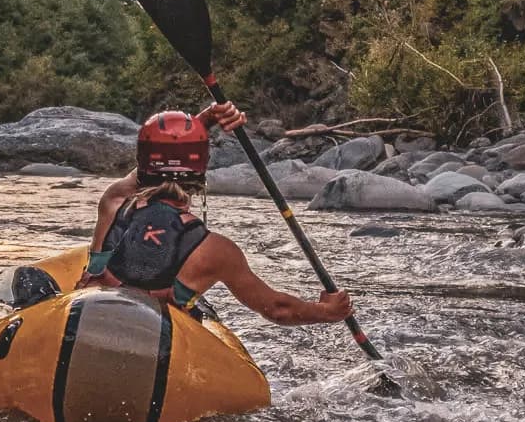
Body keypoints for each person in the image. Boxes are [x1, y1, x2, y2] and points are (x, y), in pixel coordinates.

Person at [79, 105, 354, 326]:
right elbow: (278, 310)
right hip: (148, 345)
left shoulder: (114, 200)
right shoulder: (215, 250)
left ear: (141, 158)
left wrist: (204, 121)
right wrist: (327, 311)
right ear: (202, 165)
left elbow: (155, 165)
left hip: (84, 318)